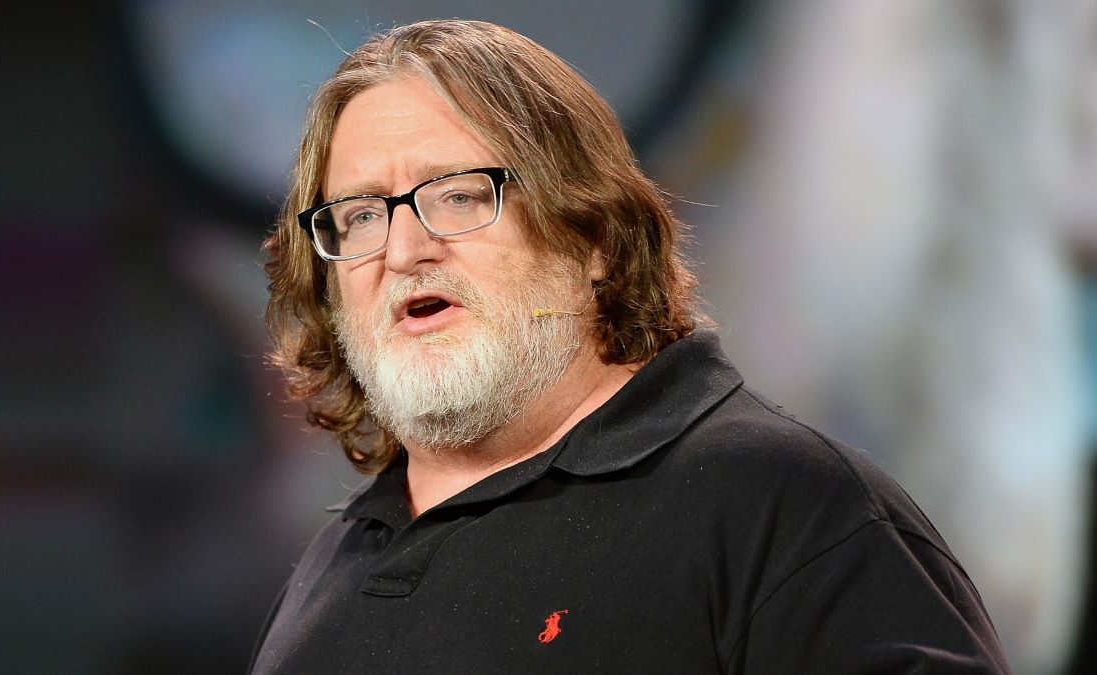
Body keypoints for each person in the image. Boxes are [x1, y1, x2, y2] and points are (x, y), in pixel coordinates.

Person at [249, 19, 1010, 674]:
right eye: (357, 216)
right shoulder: (331, 564)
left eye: (458, 196)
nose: (403, 247)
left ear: (595, 240)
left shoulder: (784, 505)